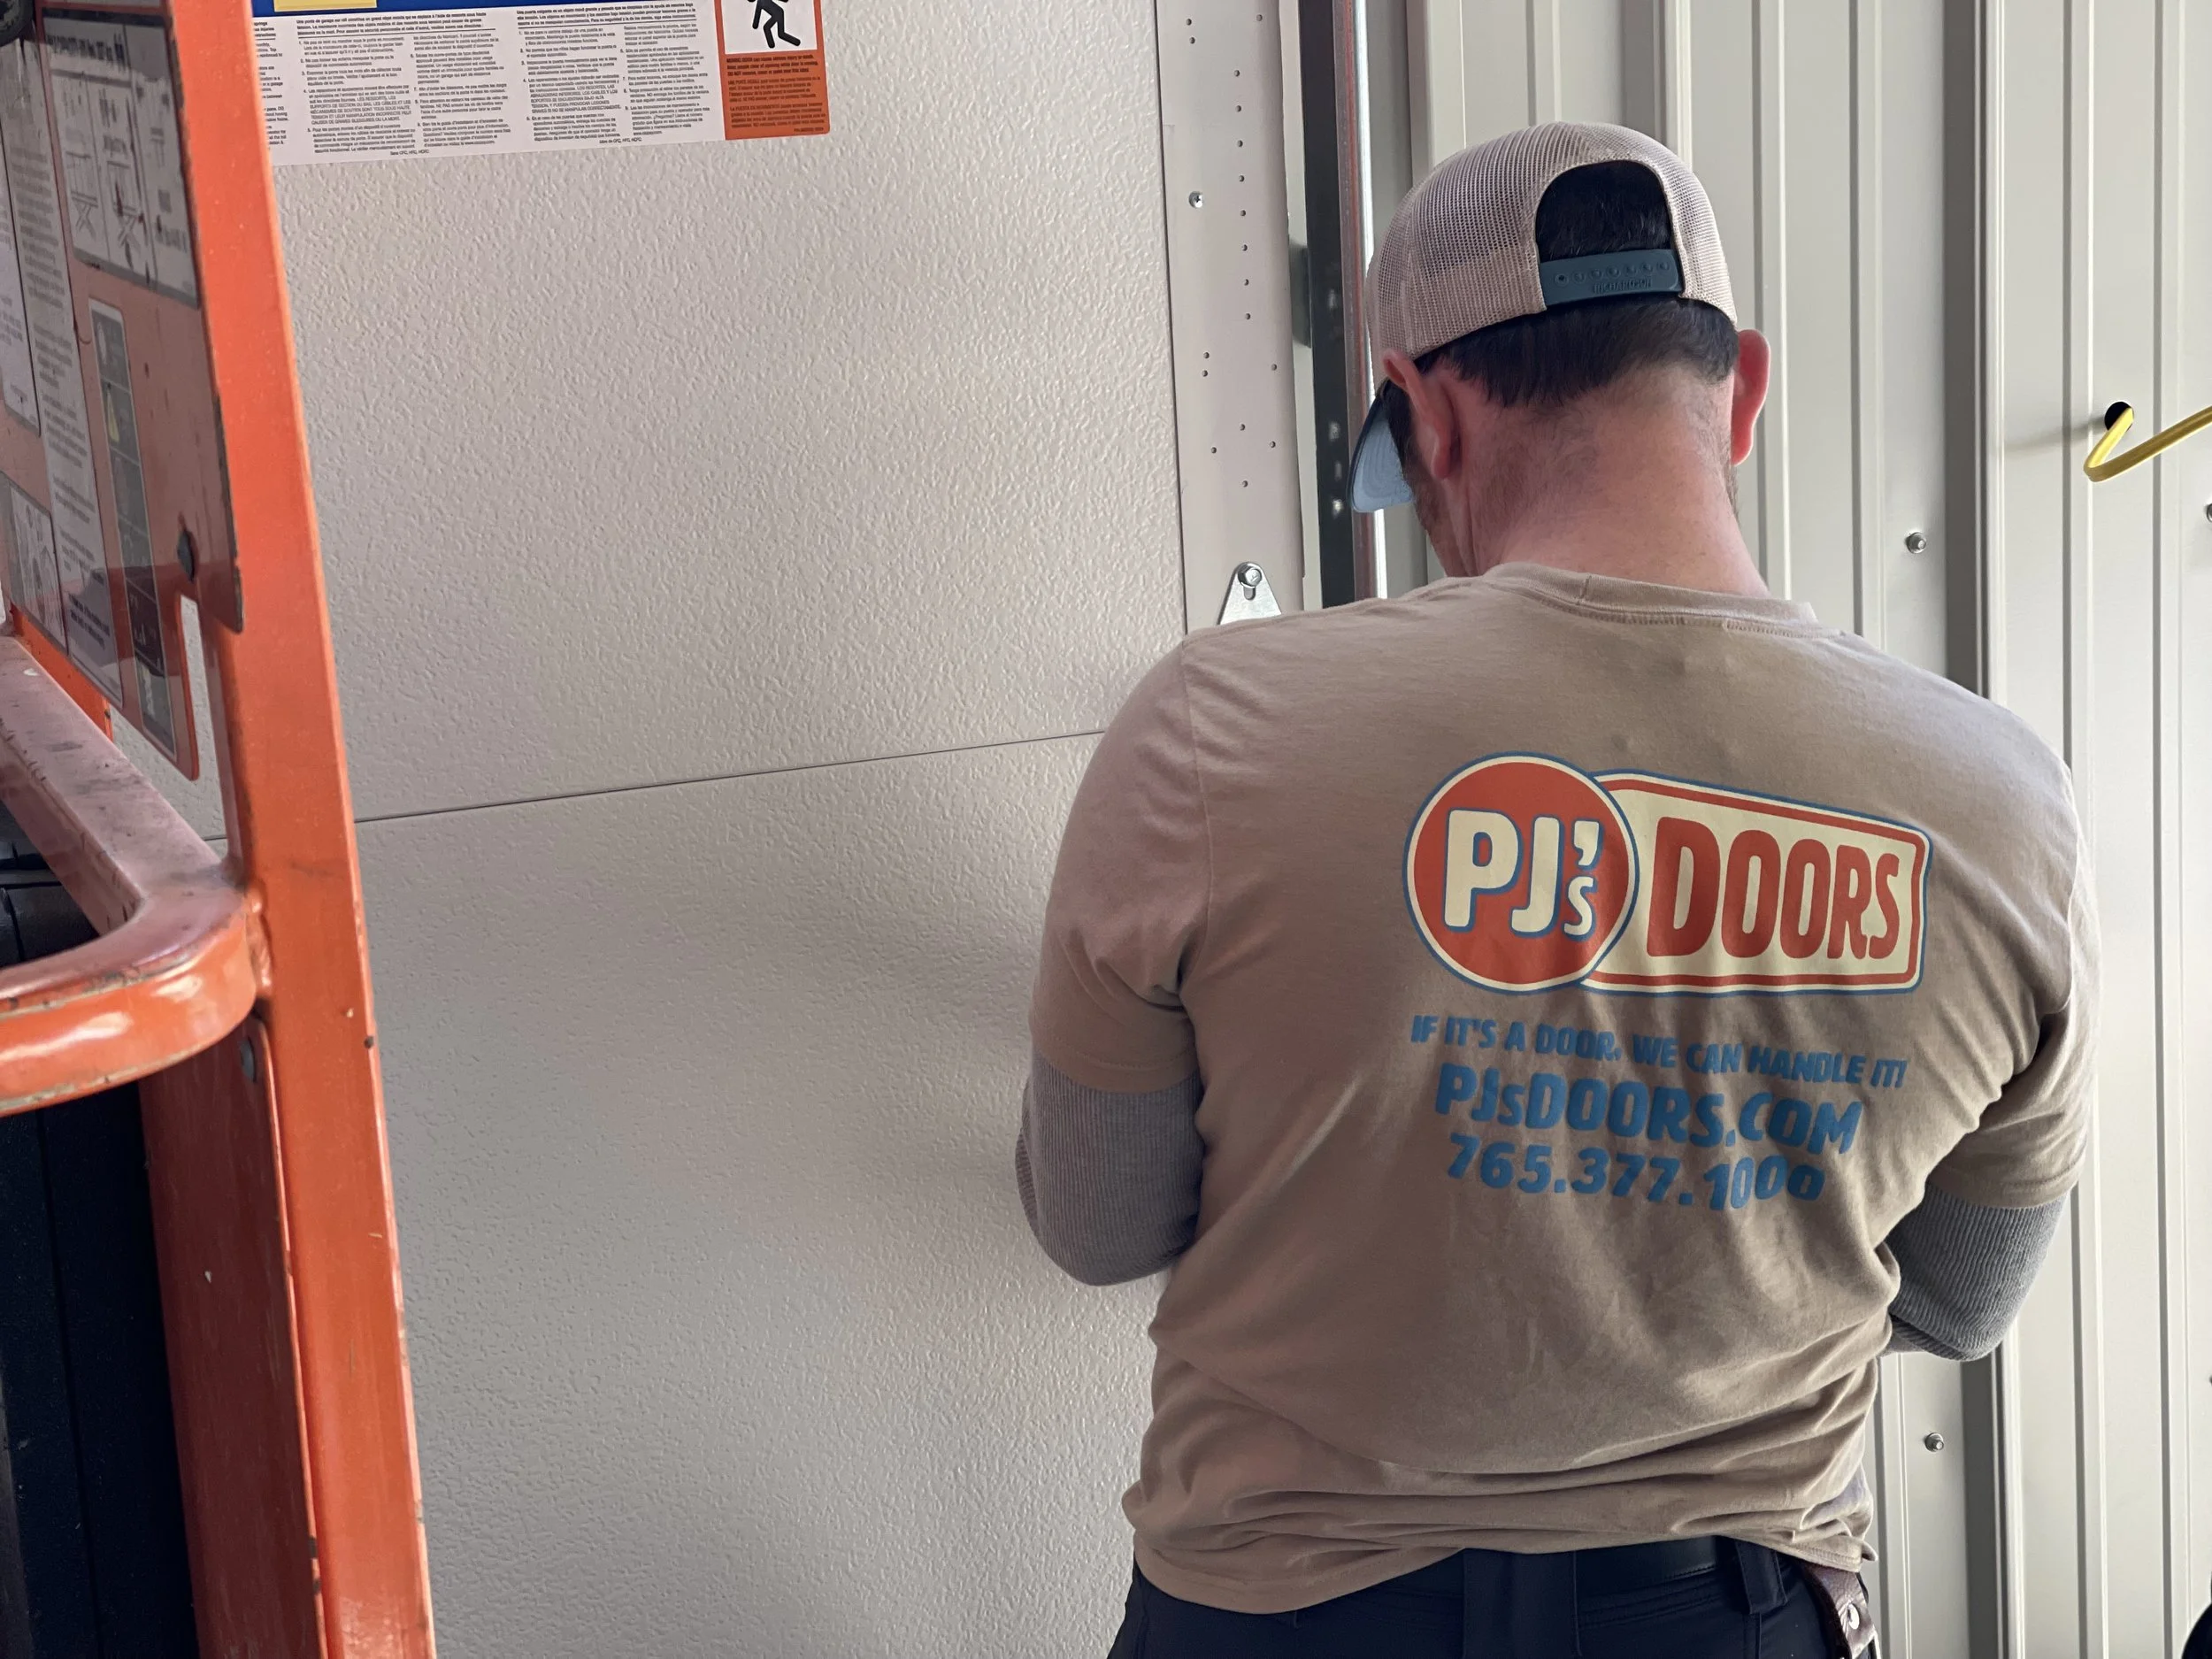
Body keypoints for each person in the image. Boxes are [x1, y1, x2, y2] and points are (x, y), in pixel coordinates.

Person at [1017, 123, 2097, 1657]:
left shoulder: (1212, 729)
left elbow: (1101, 1219)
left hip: (1286, 1614)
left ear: (1430, 417)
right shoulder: (2000, 800)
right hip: (1732, 1614)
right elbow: (1962, 1301)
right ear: (1746, 393)